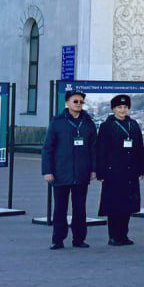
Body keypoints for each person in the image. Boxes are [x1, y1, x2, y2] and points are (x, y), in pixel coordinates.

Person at [42, 90, 97, 250]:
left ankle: (79, 239)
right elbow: (47, 148)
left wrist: (94, 169)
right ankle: (57, 240)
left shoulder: (88, 122)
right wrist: (47, 171)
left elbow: (94, 148)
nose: (79, 104)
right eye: (75, 101)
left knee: (80, 208)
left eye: (81, 102)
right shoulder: (57, 122)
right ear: (67, 103)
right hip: (60, 172)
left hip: (81, 173)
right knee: (60, 208)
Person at [95, 94, 144, 246]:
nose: (122, 110)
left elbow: (139, 148)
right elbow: (101, 151)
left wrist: (141, 169)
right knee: (114, 204)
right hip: (113, 172)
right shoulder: (107, 126)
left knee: (128, 204)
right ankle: (113, 236)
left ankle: (124, 234)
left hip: (130, 171)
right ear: (113, 109)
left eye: (125, 107)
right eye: (119, 107)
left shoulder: (134, 124)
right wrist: (101, 172)